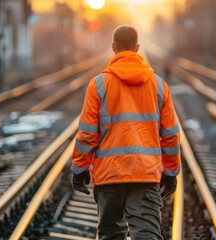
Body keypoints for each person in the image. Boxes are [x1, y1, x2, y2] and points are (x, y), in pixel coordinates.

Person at [71, 25, 181, 240]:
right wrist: (170, 171)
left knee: (111, 235)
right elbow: (171, 135)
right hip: (145, 174)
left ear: (113, 47)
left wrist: (79, 168)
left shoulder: (98, 85)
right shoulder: (158, 85)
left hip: (109, 176)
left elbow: (87, 134)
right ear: (137, 48)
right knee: (147, 236)